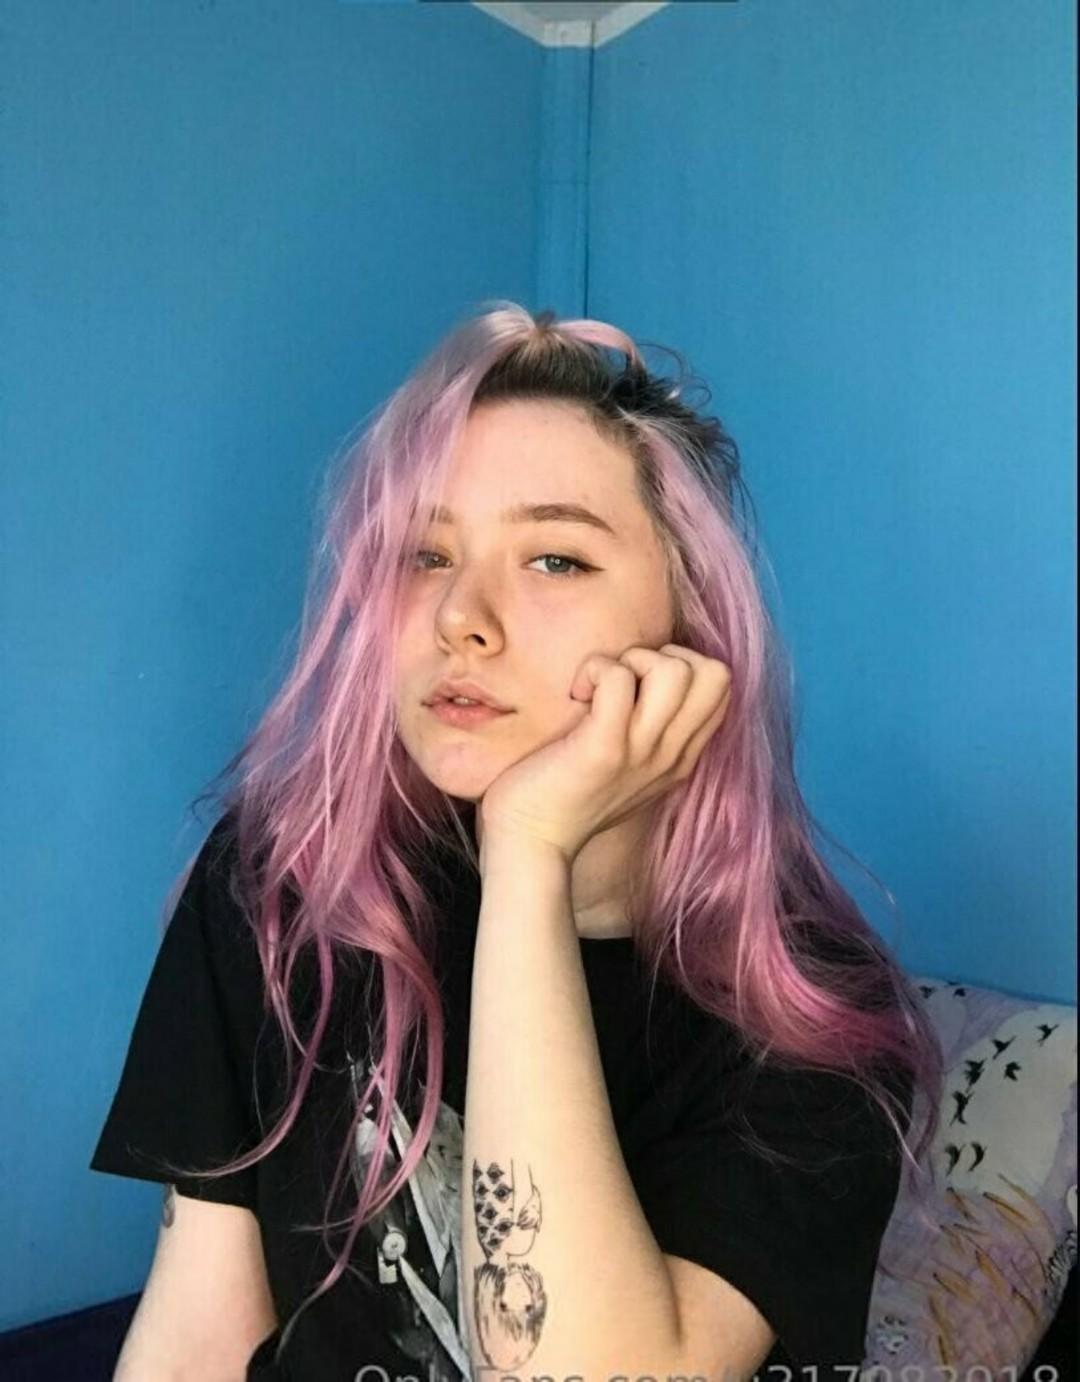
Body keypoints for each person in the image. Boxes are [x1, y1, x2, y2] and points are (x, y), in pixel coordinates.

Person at [90, 302, 944, 1382]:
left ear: (689, 624)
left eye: (554, 558)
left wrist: (530, 853)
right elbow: (194, 1340)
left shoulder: (816, 1029)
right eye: (426, 552)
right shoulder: (284, 882)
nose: (462, 616)